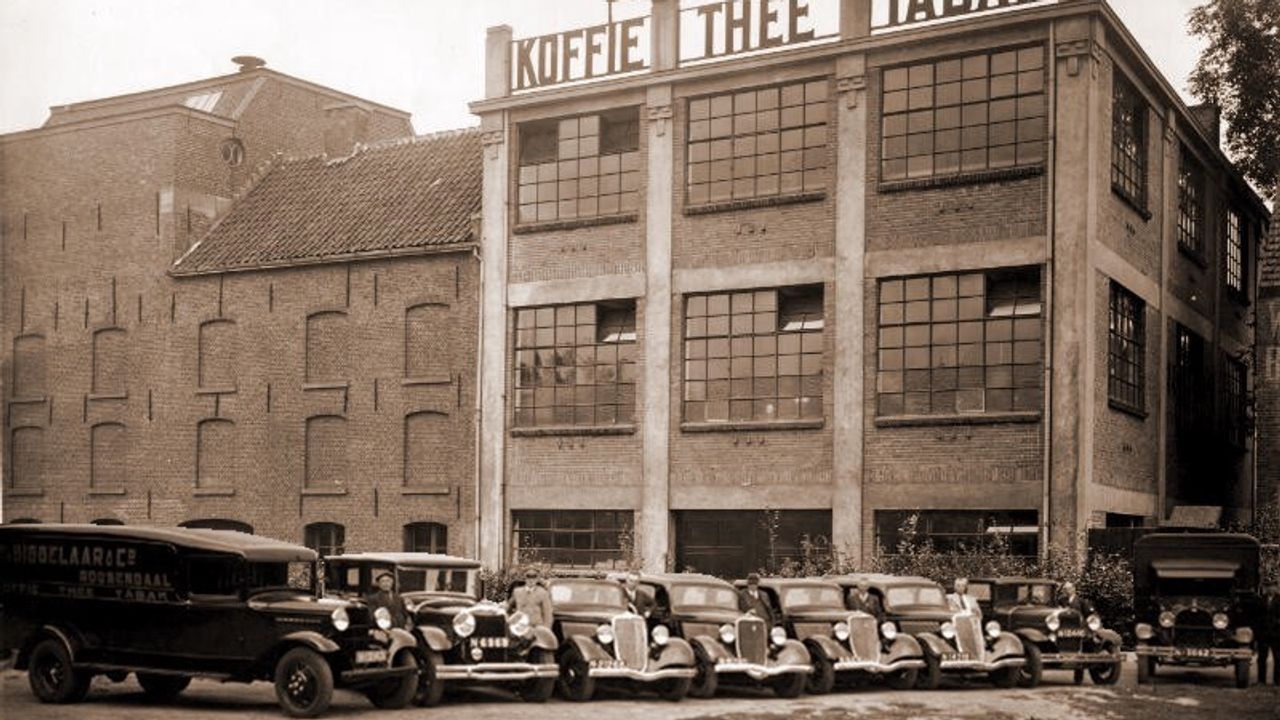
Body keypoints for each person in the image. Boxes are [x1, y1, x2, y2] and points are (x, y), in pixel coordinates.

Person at [1260, 582, 1280, 686]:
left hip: (1276, 634)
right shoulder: (1261, 599)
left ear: (1276, 588)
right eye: (1268, 587)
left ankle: (1277, 680)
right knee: (1262, 657)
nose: (1270, 589)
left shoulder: (1279, 599)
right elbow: (1257, 615)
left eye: (1273, 587)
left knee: (1277, 658)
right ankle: (1261, 680)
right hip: (1263, 633)